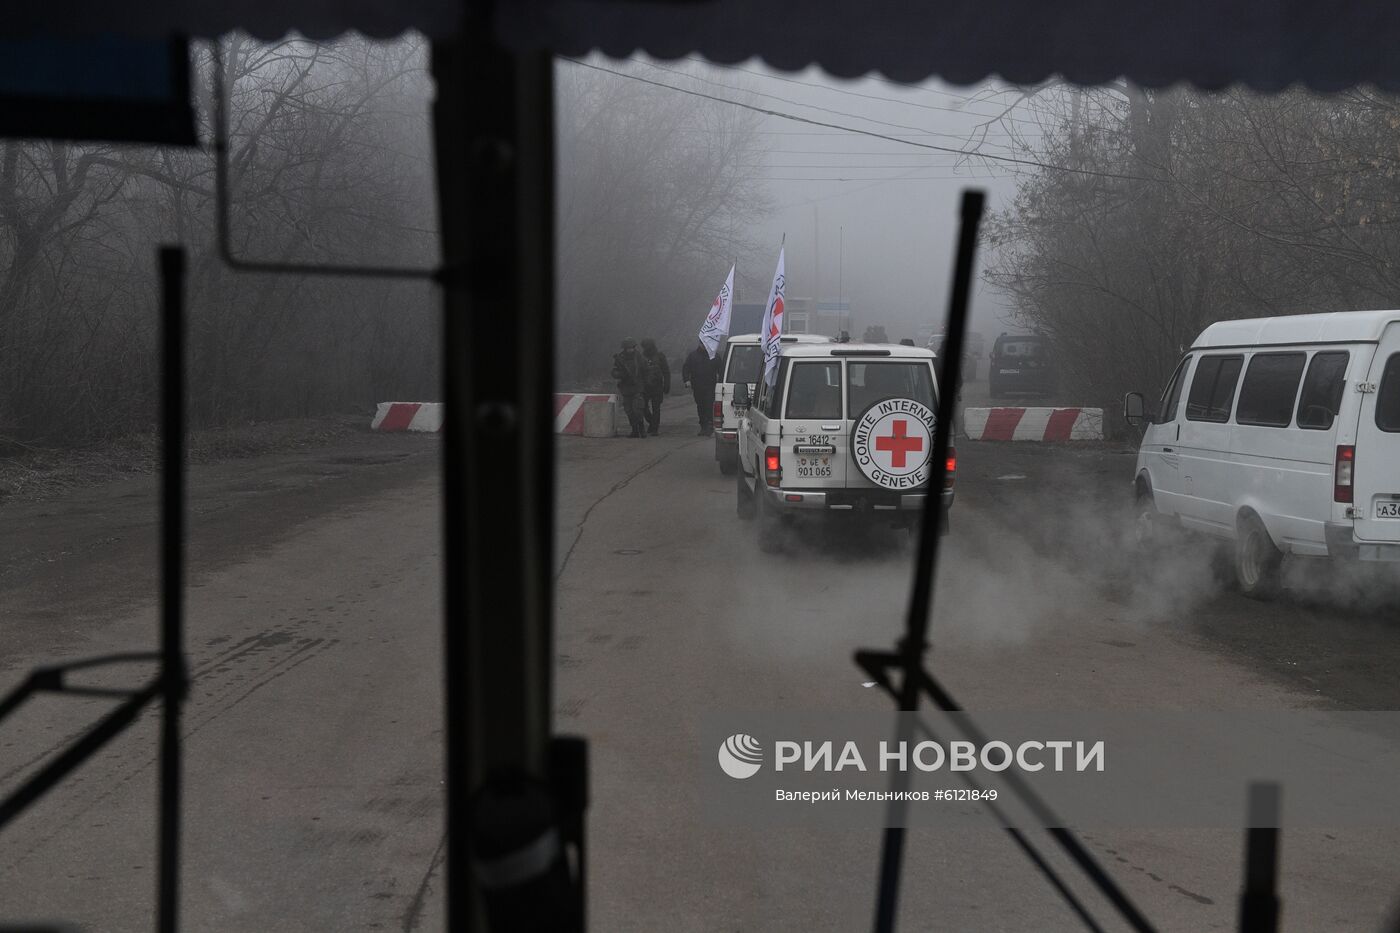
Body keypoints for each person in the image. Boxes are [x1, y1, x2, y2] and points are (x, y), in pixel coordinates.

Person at [611, 337, 647, 438]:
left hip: (637, 388)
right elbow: (614, 372)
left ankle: (642, 429)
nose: (630, 350)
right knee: (629, 410)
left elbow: (646, 370)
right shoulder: (620, 358)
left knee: (638, 409)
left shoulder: (639, 357)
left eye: (631, 347)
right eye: (628, 348)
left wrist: (644, 383)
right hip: (626, 388)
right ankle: (634, 430)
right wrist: (621, 374)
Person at [681, 341, 717, 436]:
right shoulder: (693, 356)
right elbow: (686, 368)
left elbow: (721, 368)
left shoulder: (713, 355)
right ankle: (703, 426)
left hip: (710, 385)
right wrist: (686, 380)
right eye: (702, 344)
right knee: (700, 406)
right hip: (697, 386)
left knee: (709, 405)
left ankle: (710, 426)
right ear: (700, 344)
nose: (704, 346)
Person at [639, 338, 670, 436]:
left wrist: (667, 384)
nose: (646, 348)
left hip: (657, 386)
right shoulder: (641, 357)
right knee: (644, 407)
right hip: (645, 386)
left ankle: (654, 428)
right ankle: (652, 423)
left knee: (656, 408)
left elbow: (666, 371)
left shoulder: (660, 356)